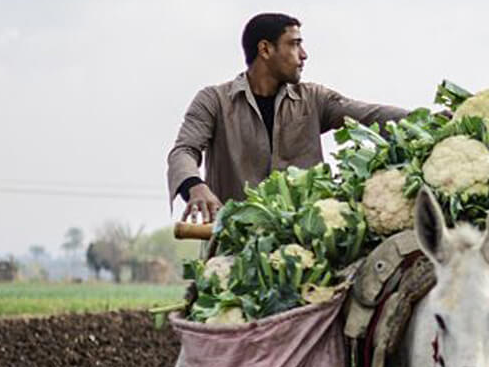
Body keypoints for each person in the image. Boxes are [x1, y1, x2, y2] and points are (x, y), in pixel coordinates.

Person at [167, 13, 413, 222]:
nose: (303, 55)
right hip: (232, 246)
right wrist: (194, 186)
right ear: (265, 49)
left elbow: (372, 115)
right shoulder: (214, 101)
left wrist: (426, 121)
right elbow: (184, 151)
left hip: (303, 247)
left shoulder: (314, 99)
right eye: (294, 44)